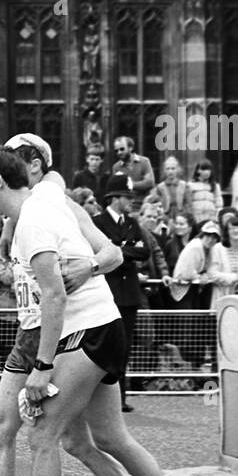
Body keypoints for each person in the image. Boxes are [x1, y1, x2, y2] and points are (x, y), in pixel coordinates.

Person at [0, 145, 204, 476]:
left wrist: (41, 369)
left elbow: (54, 295)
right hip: (102, 325)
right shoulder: (43, 204)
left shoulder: (34, 219)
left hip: (86, 330)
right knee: (111, 438)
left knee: (43, 436)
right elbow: (101, 254)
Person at [93, 175, 148, 411]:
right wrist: (126, 249)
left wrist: (119, 250)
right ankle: (98, 396)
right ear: (114, 198)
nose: (131, 202)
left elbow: (144, 252)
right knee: (104, 346)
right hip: (108, 292)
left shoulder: (133, 223)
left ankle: (120, 397)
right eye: (127, 197)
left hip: (129, 294)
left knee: (125, 347)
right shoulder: (97, 222)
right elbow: (101, 251)